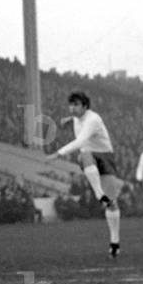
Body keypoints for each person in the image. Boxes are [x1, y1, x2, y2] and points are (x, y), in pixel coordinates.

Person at [46, 91, 124, 258]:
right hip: (90, 156)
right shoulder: (77, 117)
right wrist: (69, 120)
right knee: (84, 154)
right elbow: (79, 132)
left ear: (85, 106)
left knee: (112, 204)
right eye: (70, 104)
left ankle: (115, 242)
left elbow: (80, 140)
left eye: (76, 105)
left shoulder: (93, 119)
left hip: (105, 157)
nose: (72, 108)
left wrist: (57, 154)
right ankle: (98, 193)